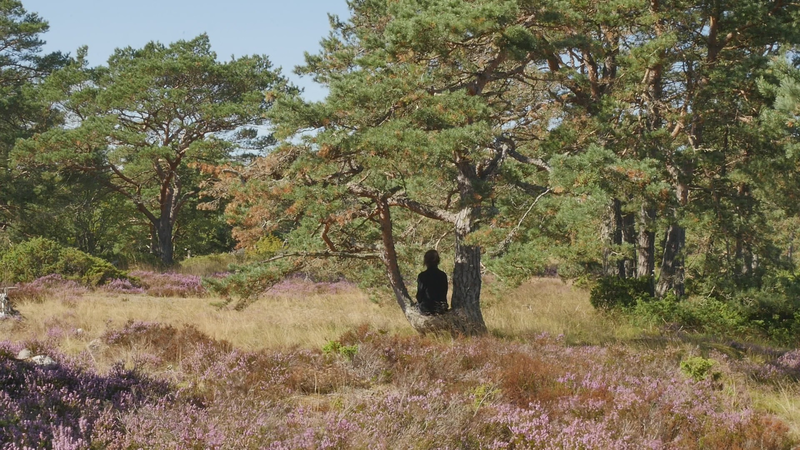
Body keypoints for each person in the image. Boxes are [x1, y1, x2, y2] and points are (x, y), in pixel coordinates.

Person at [416, 249, 448, 315]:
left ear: (425, 261)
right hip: (441, 308)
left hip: (426, 309)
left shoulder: (422, 276)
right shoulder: (443, 275)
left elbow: (419, 296)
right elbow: (444, 293)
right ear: (438, 261)